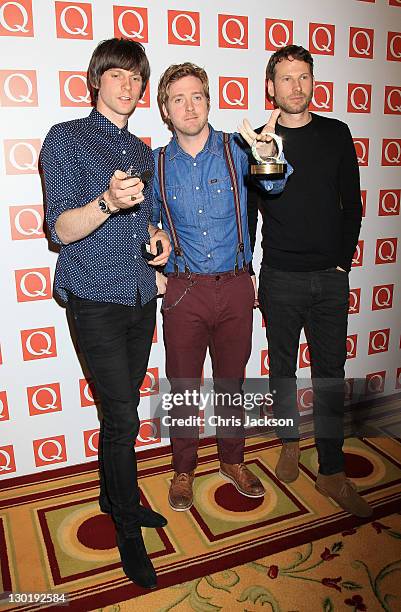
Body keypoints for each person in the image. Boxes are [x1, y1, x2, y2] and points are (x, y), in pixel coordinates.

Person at [40, 38, 172, 589]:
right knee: (122, 419)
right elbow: (61, 230)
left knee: (119, 411)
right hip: (94, 300)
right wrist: (108, 203)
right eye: (118, 74)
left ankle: (109, 492)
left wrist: (160, 243)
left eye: (137, 77)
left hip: (141, 300)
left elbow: (153, 224)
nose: (129, 85)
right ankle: (125, 525)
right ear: (97, 81)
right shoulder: (66, 138)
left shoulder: (143, 151)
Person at [152, 62, 291, 512]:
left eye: (197, 96)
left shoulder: (239, 148)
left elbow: (275, 183)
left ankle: (233, 461)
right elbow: (147, 220)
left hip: (234, 287)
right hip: (183, 290)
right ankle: (183, 469)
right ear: (166, 111)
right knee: (183, 387)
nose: (189, 106)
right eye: (178, 99)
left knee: (232, 382)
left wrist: (269, 151)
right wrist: (155, 249)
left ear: (208, 100)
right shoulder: (154, 163)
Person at [247, 45, 372, 518]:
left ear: (313, 81)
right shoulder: (258, 140)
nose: (296, 87)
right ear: (271, 87)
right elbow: (254, 213)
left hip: (329, 278)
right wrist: (254, 271)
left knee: (330, 374)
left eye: (304, 77)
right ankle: (288, 441)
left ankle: (333, 470)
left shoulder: (337, 134)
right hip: (279, 275)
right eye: (286, 79)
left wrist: (341, 263)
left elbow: (353, 206)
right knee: (281, 368)